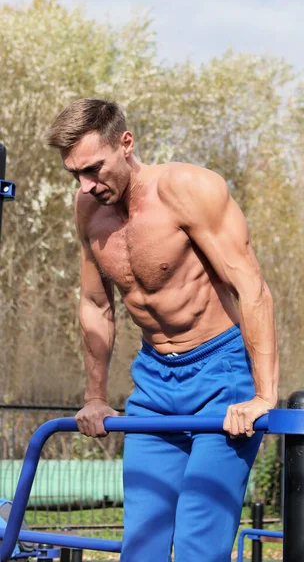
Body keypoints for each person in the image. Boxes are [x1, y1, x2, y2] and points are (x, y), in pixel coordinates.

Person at [46, 99, 279, 562]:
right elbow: (96, 304)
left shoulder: (188, 189)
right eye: (76, 175)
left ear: (126, 144)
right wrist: (95, 395)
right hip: (153, 380)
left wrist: (264, 395)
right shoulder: (89, 208)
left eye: (94, 168)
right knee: (143, 542)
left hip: (221, 372)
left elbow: (252, 288)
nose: (87, 185)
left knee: (198, 538)